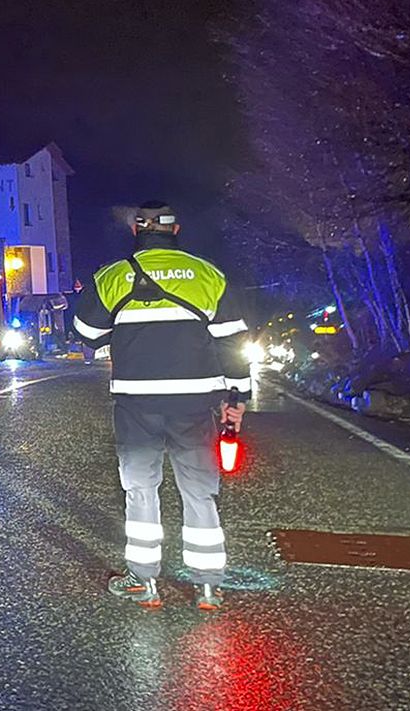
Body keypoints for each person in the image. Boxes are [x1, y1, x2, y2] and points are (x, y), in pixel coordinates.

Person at [71, 201, 251, 611]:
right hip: (196, 402)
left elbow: (86, 332)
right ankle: (208, 587)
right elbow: (233, 343)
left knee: (140, 488)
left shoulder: (114, 276)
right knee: (200, 491)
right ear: (175, 231)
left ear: (137, 232)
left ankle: (144, 581)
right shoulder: (207, 275)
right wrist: (237, 398)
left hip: (137, 403)